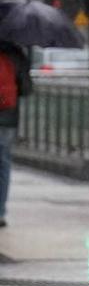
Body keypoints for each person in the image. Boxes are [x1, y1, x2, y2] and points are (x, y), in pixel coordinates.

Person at [0, 41, 32, 229]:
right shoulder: (14, 51)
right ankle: (1, 211)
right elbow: (26, 88)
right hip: (8, 116)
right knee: (3, 163)